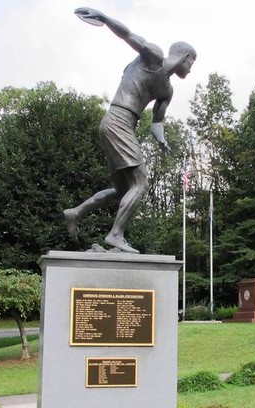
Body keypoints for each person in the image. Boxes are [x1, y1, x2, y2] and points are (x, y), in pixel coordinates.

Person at [64, 7, 197, 254]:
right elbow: (128, 35)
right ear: (186, 56)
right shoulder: (154, 57)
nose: (191, 68)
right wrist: (103, 18)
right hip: (118, 119)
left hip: (122, 125)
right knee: (141, 184)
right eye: (192, 62)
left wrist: (162, 139)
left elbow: (156, 122)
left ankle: (75, 213)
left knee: (123, 190)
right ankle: (115, 235)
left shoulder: (167, 91)